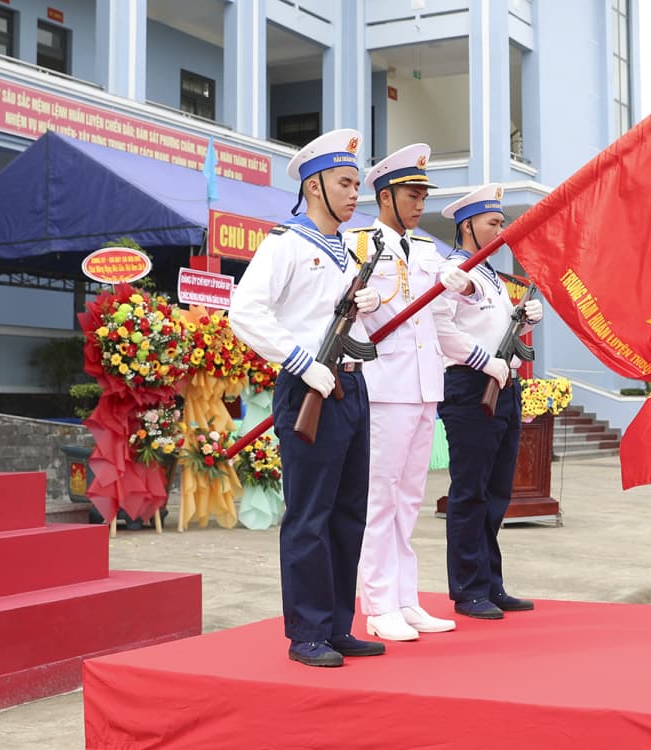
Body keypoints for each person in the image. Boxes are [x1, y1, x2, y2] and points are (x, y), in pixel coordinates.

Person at [228, 129, 386, 668]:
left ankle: (338, 625)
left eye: (357, 184)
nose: (354, 194)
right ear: (314, 186)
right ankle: (307, 633)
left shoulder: (345, 249)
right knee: (310, 515)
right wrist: (301, 363)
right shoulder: (286, 243)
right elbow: (245, 312)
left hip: (349, 384)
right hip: (309, 386)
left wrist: (363, 305)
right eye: (344, 183)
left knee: (348, 512)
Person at [345, 143, 480, 642]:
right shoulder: (358, 244)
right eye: (412, 195)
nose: (421, 204)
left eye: (424, 195)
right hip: (385, 386)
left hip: (425, 386)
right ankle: (379, 604)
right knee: (380, 499)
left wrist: (465, 287)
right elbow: (345, 312)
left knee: (409, 499)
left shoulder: (426, 251)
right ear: (386, 197)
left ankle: (406, 599)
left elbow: (452, 309)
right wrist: (361, 301)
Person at [431, 183, 544, 620]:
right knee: (471, 490)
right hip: (470, 385)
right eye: (493, 223)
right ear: (468, 226)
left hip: (503, 384)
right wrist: (483, 361)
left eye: (501, 222)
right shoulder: (453, 271)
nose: (501, 230)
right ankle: (468, 588)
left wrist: (524, 324)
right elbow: (441, 327)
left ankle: (490, 582)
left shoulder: (491, 274)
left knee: (497, 491)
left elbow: (490, 329)